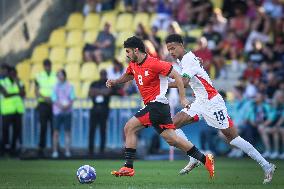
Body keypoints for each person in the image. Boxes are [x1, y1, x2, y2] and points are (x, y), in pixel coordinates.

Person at [165, 34, 276, 184]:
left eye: (173, 48)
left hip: (212, 103)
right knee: (172, 125)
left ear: (181, 45)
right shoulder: (186, 58)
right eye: (168, 49)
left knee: (233, 138)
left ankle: (267, 165)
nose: (171, 52)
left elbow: (184, 82)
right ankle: (193, 157)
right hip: (200, 102)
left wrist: (162, 85)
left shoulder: (188, 59)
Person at [106, 36, 214, 178]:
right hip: (158, 108)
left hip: (156, 105)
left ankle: (128, 167)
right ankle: (205, 159)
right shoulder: (134, 64)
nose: (126, 54)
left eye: (128, 51)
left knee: (129, 127)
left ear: (136, 50)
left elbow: (176, 75)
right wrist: (115, 81)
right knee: (172, 139)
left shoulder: (154, 63)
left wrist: (182, 98)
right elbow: (128, 75)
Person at [0, 66, 25, 156]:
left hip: (18, 110)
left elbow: (23, 93)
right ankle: (4, 150)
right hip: (7, 110)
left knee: (16, 131)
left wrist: (17, 83)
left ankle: (13, 150)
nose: (14, 75)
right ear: (9, 73)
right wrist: (17, 93)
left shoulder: (19, 82)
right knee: (5, 131)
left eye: (15, 73)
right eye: (12, 73)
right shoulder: (2, 82)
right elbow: (5, 94)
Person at [51, 69, 75, 158]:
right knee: (56, 132)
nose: (59, 77)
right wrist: (61, 106)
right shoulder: (55, 86)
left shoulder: (70, 86)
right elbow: (54, 98)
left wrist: (67, 106)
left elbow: (72, 98)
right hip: (57, 112)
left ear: (64, 76)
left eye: (61, 75)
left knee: (67, 132)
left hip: (67, 112)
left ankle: (67, 151)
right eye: (58, 75)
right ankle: (55, 151)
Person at [35, 59, 57, 156]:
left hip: (53, 104)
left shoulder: (55, 75)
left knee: (53, 127)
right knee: (43, 126)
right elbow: (36, 91)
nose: (48, 67)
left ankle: (54, 147)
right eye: (46, 65)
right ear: (44, 66)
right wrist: (45, 98)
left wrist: (52, 99)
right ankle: (41, 147)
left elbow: (58, 89)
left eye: (49, 65)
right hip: (43, 104)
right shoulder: (39, 76)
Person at [88, 69, 111, 155]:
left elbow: (107, 92)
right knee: (92, 130)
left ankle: (102, 151)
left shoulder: (108, 83)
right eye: (102, 74)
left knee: (103, 130)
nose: (103, 76)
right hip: (94, 108)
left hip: (104, 109)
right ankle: (90, 150)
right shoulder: (94, 83)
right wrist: (102, 92)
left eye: (104, 74)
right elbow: (90, 93)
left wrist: (96, 91)